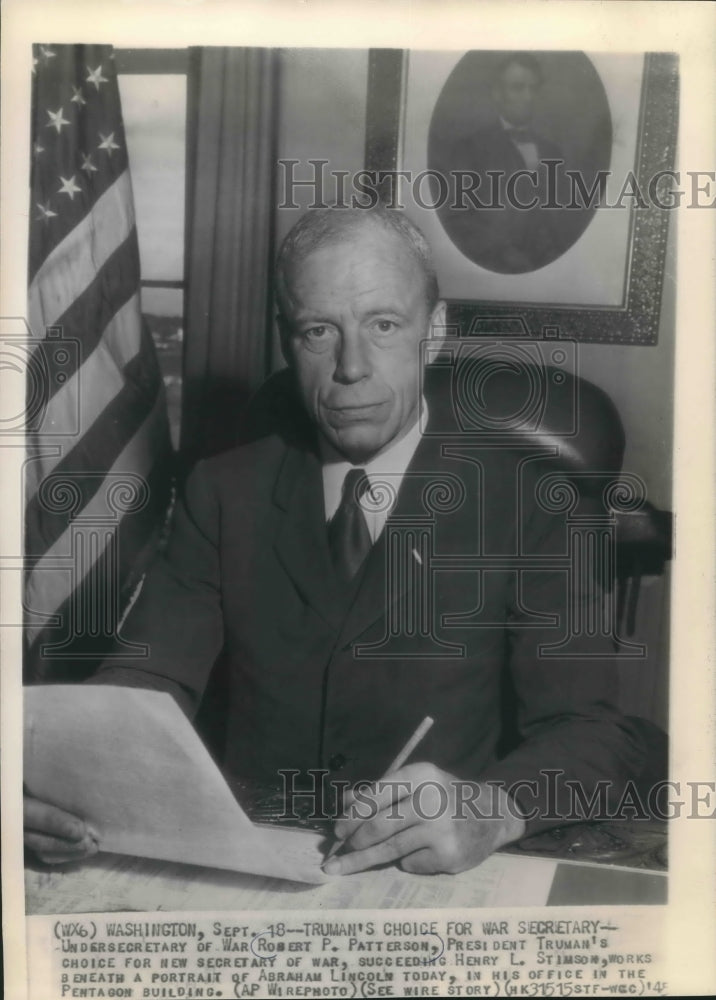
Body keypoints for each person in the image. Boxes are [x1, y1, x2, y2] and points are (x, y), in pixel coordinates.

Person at [24, 206, 649, 876]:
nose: (351, 367)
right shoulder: (223, 490)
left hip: (430, 876)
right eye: (319, 330)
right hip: (253, 865)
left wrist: (492, 808)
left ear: (432, 333)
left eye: (383, 325)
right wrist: (68, 784)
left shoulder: (532, 505)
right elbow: (144, 685)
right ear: (288, 342)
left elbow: (595, 736)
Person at [434, 53, 577, 273]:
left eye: (533, 88)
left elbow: (558, 219)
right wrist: (503, 254)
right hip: (492, 265)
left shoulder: (552, 152)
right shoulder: (471, 149)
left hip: (546, 269)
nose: (528, 97)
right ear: (497, 94)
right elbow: (459, 219)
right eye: (518, 88)